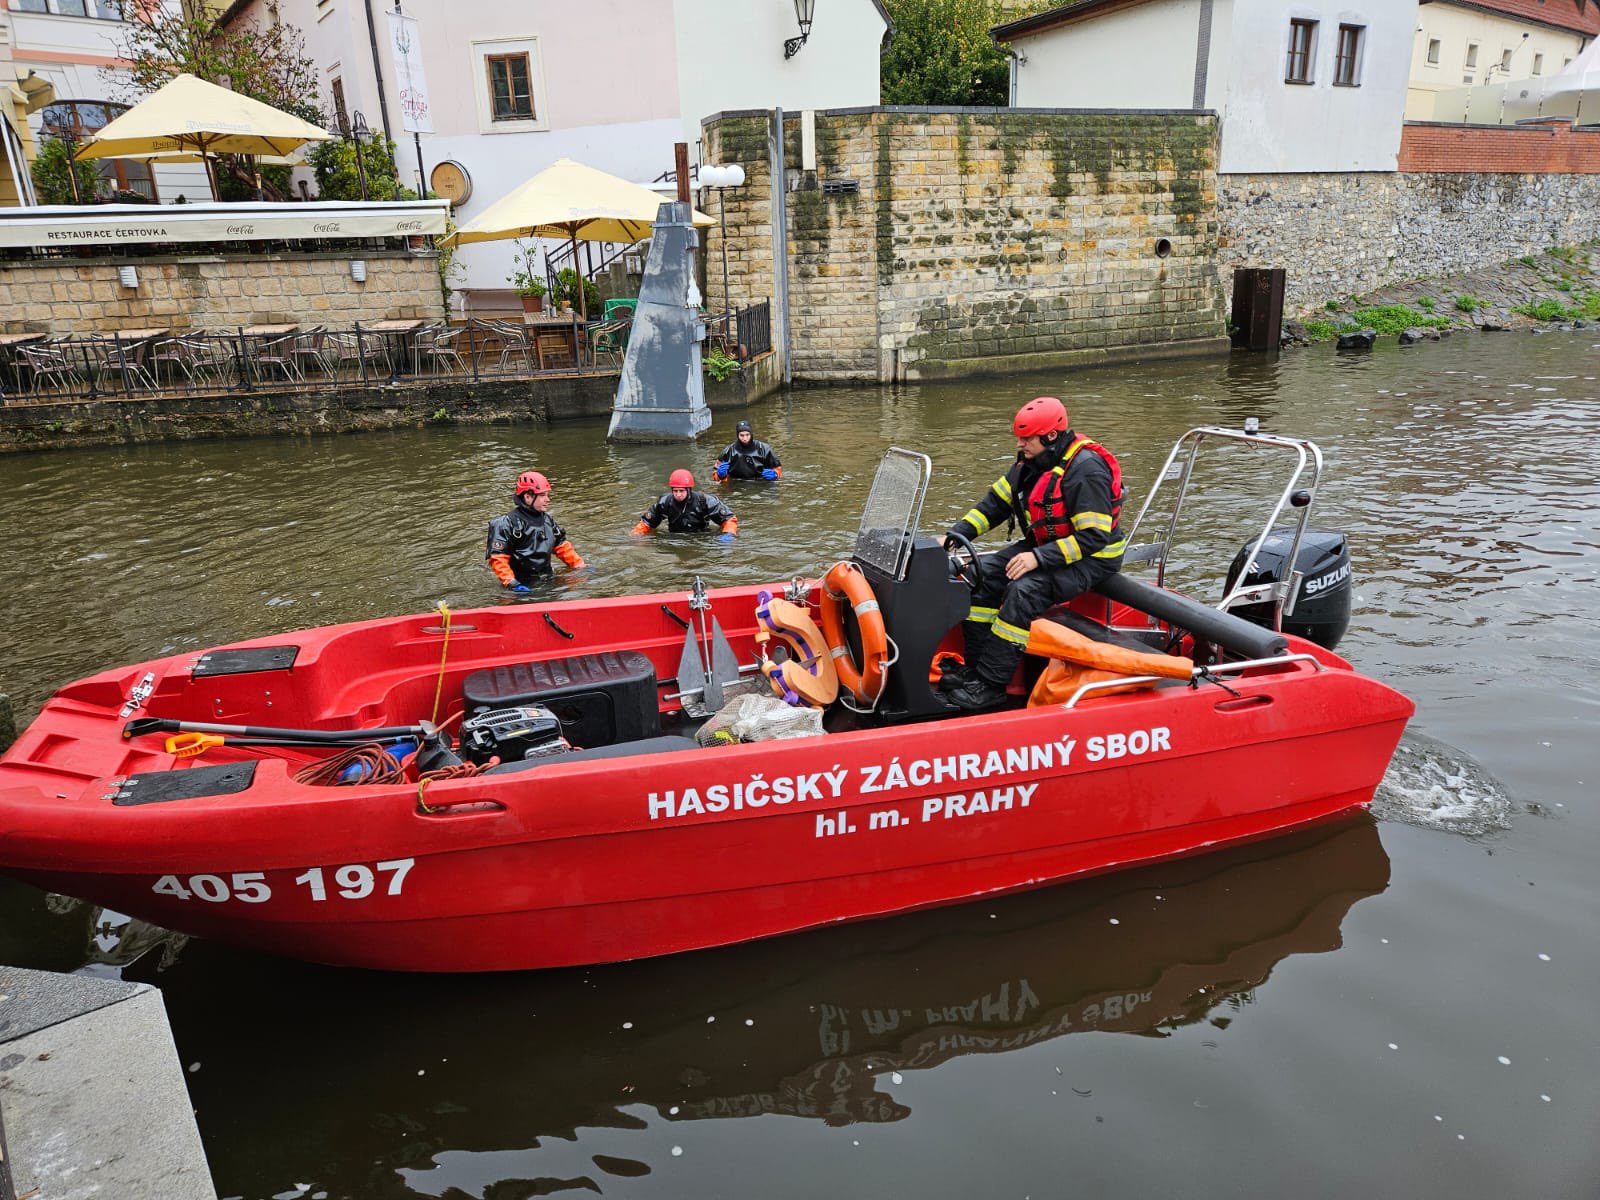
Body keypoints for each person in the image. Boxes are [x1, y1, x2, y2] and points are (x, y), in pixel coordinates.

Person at [941, 396, 1126, 711]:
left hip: (1092, 558)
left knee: (1024, 591)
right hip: (1049, 544)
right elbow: (996, 504)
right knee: (979, 576)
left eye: (1027, 438)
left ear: (1051, 436)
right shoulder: (1031, 464)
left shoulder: (1086, 470)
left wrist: (1037, 558)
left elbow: (1094, 537)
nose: (1020, 443)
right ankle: (975, 672)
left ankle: (991, 685)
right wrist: (956, 536)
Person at [485, 470, 585, 592]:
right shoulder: (504, 524)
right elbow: (498, 559)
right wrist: (512, 583)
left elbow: (562, 547)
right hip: (519, 587)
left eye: (547, 495)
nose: (548, 499)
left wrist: (580, 566)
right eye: (542, 495)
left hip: (548, 581)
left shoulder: (548, 520)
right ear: (528, 497)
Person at [631, 469, 739, 542]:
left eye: (681, 491)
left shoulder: (705, 501)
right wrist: (635, 537)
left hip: (702, 538)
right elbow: (646, 523)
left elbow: (729, 519)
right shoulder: (664, 502)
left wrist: (728, 534)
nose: (678, 494)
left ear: (689, 489)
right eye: (675, 491)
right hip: (674, 539)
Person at [713, 419, 782, 481]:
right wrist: (720, 476)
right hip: (737, 484)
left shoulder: (765, 449)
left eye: (747, 435)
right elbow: (715, 474)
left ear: (751, 434)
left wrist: (775, 474)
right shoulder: (728, 451)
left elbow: (778, 468)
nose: (745, 439)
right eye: (742, 435)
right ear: (737, 435)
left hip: (760, 482)